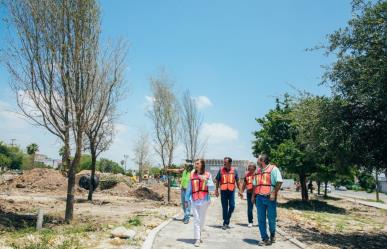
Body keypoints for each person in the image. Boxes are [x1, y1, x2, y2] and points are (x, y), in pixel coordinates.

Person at [252, 154, 283, 246]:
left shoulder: (274, 169)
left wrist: (273, 193)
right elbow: (254, 184)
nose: (257, 162)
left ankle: (272, 234)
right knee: (261, 219)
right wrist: (253, 196)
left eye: (258, 160)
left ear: (262, 161)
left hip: (270, 198)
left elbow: (279, 181)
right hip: (259, 198)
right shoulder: (257, 171)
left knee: (271, 219)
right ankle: (264, 238)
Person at [185, 159, 214, 247]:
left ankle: (199, 233)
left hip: (204, 200)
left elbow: (212, 188)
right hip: (194, 200)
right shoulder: (192, 174)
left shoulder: (208, 174)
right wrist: (186, 199)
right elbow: (189, 188)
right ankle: (197, 238)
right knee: (196, 220)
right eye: (195, 163)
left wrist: (206, 180)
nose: (195, 165)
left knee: (202, 220)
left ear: (202, 165)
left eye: (197, 163)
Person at [215, 157, 241, 230]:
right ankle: (225, 223)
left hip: (231, 190)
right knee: (224, 207)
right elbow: (217, 180)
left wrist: (240, 190)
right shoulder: (220, 170)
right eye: (224, 163)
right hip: (223, 191)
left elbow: (238, 181)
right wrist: (216, 190)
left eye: (225, 163)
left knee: (232, 206)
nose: (224, 164)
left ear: (230, 163)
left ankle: (227, 218)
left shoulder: (234, 171)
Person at [239, 162, 256, 227]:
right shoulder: (247, 175)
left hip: (257, 194)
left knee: (260, 208)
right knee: (249, 208)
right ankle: (250, 221)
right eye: (248, 167)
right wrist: (241, 191)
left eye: (250, 167)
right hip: (249, 193)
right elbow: (244, 184)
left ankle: (263, 221)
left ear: (254, 168)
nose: (248, 168)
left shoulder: (257, 174)